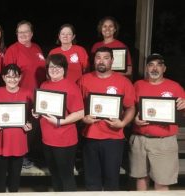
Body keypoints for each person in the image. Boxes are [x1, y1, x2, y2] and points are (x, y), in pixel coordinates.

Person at [78, 47, 135, 191]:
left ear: (112, 61)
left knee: (111, 180)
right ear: (94, 60)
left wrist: (122, 122)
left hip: (113, 138)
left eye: (106, 57)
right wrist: (84, 118)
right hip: (90, 136)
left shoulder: (123, 82)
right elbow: (75, 107)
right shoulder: (84, 80)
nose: (101, 61)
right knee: (91, 181)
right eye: (98, 57)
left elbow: (131, 108)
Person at [129, 54, 185, 191]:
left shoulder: (175, 87)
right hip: (140, 139)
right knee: (141, 178)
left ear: (164, 68)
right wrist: (133, 119)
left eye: (158, 65)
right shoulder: (137, 85)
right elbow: (129, 109)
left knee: (162, 181)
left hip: (164, 141)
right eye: (151, 65)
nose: (154, 68)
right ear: (147, 68)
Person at [33, 53, 84, 191]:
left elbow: (80, 113)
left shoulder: (71, 86)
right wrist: (37, 112)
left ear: (64, 69)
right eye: (51, 67)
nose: (54, 70)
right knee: (55, 176)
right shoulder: (44, 85)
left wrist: (61, 122)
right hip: (47, 139)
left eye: (58, 67)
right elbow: (42, 108)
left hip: (64, 141)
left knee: (66, 177)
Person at [4, 20, 46, 167]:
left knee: (34, 126)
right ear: (16, 34)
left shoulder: (37, 48)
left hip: (37, 94)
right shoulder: (12, 50)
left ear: (32, 33)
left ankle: (31, 154)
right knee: (22, 125)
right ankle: (20, 157)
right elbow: (9, 76)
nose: (23, 34)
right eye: (20, 32)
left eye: (26, 31)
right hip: (21, 95)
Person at [0, 64, 33, 192]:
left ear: (20, 77)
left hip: (18, 139)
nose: (12, 80)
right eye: (8, 76)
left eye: (15, 77)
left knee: (15, 178)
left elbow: (34, 115)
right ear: (3, 77)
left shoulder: (27, 93)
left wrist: (30, 124)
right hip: (1, 140)